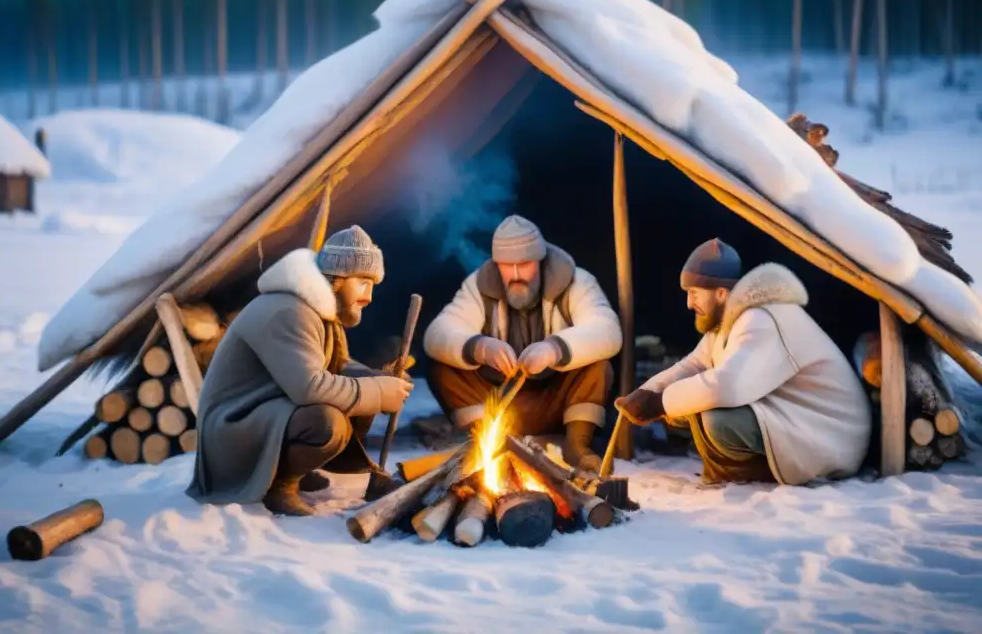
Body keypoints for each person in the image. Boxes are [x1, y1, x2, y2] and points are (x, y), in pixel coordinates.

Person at [186, 226, 413, 516]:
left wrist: (377, 379)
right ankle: (279, 486)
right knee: (328, 422)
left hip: (266, 413)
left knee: (359, 400)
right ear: (337, 279)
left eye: (372, 285)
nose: (368, 296)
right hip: (233, 427)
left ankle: (288, 468)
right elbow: (308, 386)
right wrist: (377, 392)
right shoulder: (289, 311)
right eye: (363, 282)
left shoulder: (321, 312)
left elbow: (338, 365)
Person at [615, 238, 872, 486]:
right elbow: (692, 366)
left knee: (715, 418)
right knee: (686, 407)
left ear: (720, 293)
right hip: (799, 422)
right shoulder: (725, 325)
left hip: (832, 436)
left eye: (694, 293)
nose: (688, 303)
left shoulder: (762, 319)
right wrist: (647, 393)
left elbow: (727, 386)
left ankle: (753, 473)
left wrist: (661, 402)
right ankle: (746, 469)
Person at [424, 215, 622, 473]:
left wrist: (554, 349)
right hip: (499, 404)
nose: (516, 275)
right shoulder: (479, 286)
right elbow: (438, 334)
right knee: (443, 367)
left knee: (597, 365)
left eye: (525, 264)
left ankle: (578, 445)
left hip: (556, 401)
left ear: (540, 262)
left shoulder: (575, 281)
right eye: (507, 265)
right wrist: (479, 347)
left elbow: (606, 329)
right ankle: (486, 440)